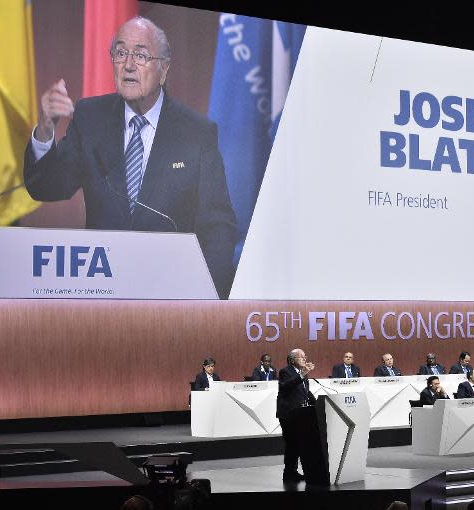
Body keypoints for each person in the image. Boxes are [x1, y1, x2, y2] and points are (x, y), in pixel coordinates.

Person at [24, 16, 237, 298]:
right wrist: (45, 127)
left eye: (141, 54)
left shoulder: (195, 133)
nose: (128, 64)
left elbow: (218, 225)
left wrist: (207, 297)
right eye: (121, 53)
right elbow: (47, 186)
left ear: (163, 69)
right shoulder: (91, 118)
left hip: (172, 296)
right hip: (100, 294)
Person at [276, 348, 316, 482]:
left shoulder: (303, 373)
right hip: (288, 414)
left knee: (298, 444)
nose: (304, 359)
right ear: (292, 360)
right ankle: (289, 473)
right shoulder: (285, 371)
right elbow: (286, 387)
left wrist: (318, 403)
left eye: (305, 356)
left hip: (300, 414)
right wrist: (302, 374)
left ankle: (292, 472)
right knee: (292, 444)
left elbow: (305, 392)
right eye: (301, 357)